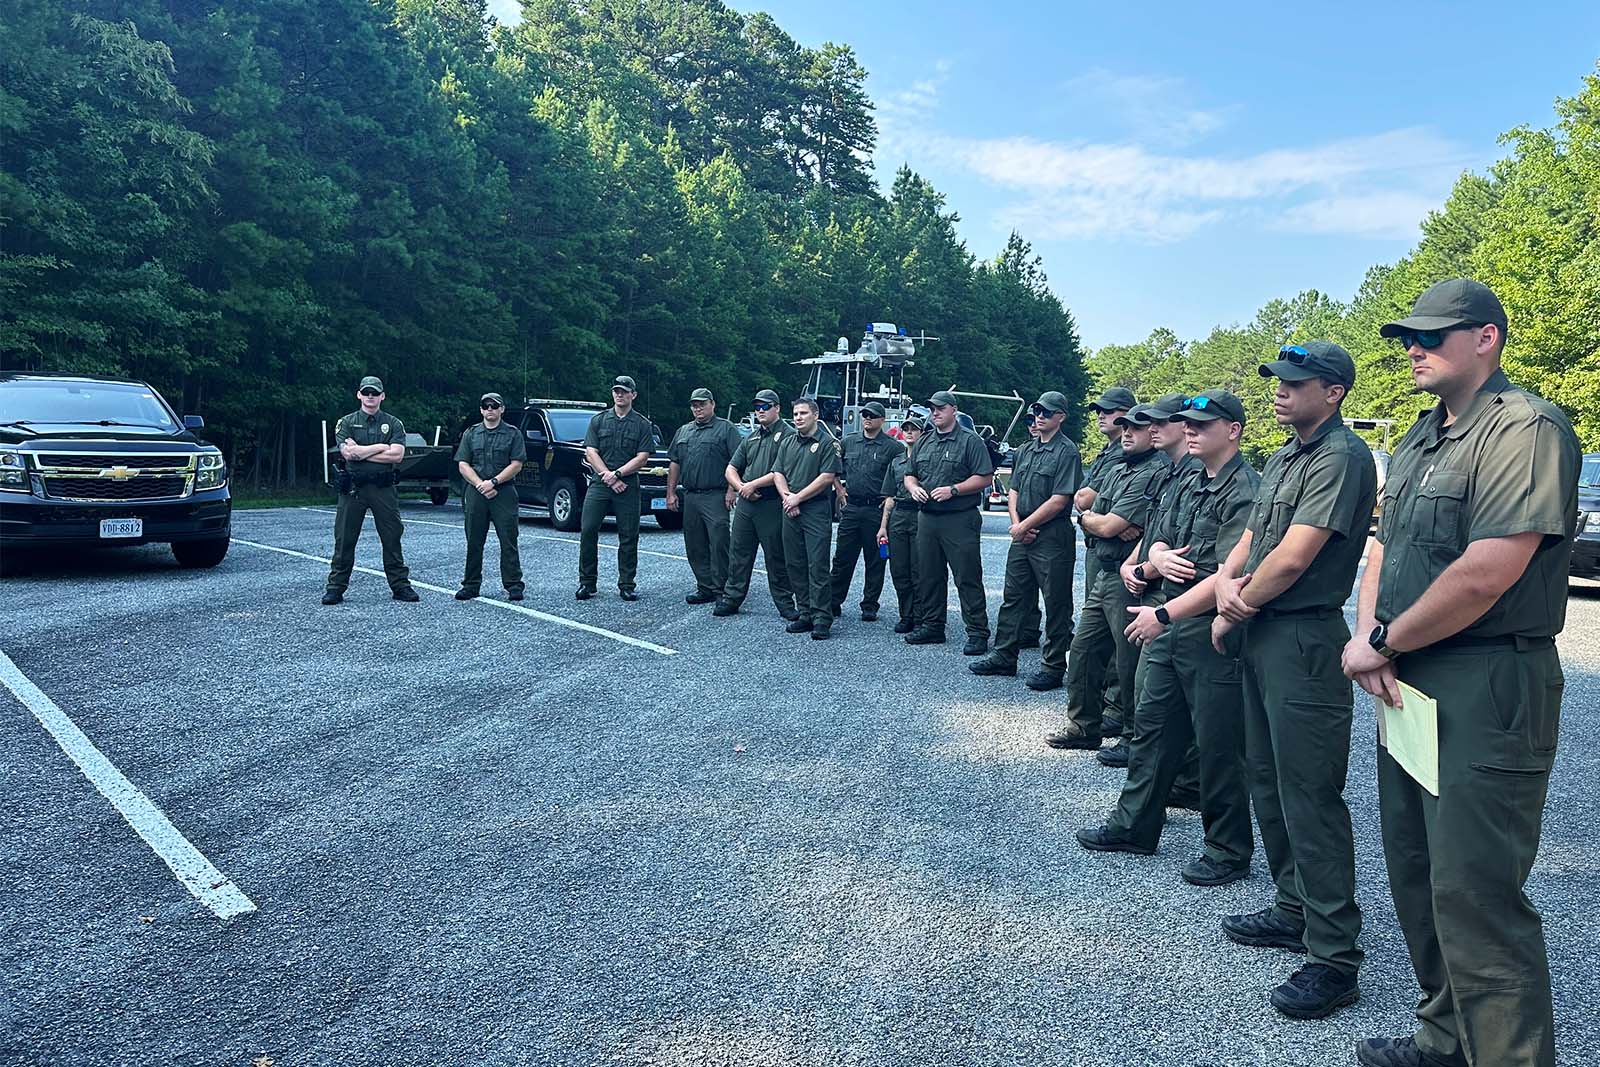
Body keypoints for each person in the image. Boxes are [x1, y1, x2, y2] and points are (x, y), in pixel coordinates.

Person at [1340, 279, 1579, 1067]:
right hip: (1409, 675)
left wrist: (1383, 641)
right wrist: (1371, 634)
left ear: (1485, 338)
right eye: (1409, 337)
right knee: (1418, 872)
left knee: (1477, 893)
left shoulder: (1525, 428)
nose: (1414, 348)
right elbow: (1383, 548)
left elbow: (1488, 571)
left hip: (1487, 679)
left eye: (1432, 336)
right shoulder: (1419, 438)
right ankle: (1446, 1038)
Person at [1209, 342, 1374, 1021]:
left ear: (1333, 392)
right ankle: (1293, 907)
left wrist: (1234, 605)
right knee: (1266, 778)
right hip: (1264, 628)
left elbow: (1296, 555)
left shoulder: (1342, 456)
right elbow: (1254, 539)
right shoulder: (1285, 456)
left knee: (1309, 794)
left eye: (1296, 382)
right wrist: (1226, 583)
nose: (1280, 390)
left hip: (1303, 635)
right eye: (1278, 381)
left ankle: (1334, 957)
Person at [1076, 390, 1258, 890]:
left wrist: (1163, 611)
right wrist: (1155, 556)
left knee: (1218, 743)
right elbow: (1159, 533)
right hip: (1168, 616)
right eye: (1188, 423)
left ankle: (1227, 849)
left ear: (1233, 431)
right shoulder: (1189, 478)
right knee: (1153, 726)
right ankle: (1135, 826)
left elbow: (1229, 575)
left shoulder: (1245, 489)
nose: (1191, 430)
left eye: (1202, 424)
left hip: (1207, 626)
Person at [1047, 401, 1169, 749]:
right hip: (1105, 571)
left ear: (1153, 432)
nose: (1127, 433)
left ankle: (1132, 737)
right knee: (1083, 650)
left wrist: (1103, 522)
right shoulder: (1118, 468)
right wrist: (1095, 521)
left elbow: (1110, 524)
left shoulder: (1155, 471)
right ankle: (1084, 727)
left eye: (1136, 428)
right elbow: (1091, 513)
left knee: (1128, 661)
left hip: (1128, 579)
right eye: (1125, 426)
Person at [1100, 393, 1197, 768]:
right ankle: (1149, 763)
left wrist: (1144, 568)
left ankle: (1158, 767)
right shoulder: (1169, 472)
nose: (1151, 428)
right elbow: (1155, 531)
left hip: (1172, 595)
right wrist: (1132, 563)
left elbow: (1186, 547)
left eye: (1159, 422)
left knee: (1152, 686)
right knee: (1143, 680)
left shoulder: (1195, 474)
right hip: (1143, 582)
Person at [968, 391, 1081, 687]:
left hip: (1052, 534)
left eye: (1047, 412)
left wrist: (1026, 526)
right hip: (1023, 531)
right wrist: (1017, 525)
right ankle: (1004, 656)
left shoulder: (1067, 452)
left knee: (1056, 602)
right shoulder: (1026, 450)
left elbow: (1060, 499)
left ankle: (1053, 666)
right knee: (1014, 597)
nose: (1040, 417)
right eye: (1037, 411)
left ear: (1060, 417)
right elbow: (1014, 490)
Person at [904, 390, 995, 654]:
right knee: (929, 575)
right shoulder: (924, 441)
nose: (935, 413)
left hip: (959, 517)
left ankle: (977, 632)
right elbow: (910, 474)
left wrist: (954, 490)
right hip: (927, 517)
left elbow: (985, 477)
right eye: (932, 408)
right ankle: (933, 626)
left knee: (967, 576)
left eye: (940, 408)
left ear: (953, 410)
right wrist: (913, 488)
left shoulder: (970, 441)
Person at [323, 375, 418, 604]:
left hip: (383, 488)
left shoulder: (394, 423)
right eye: (366, 392)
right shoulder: (346, 422)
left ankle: (400, 586)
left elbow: (397, 455)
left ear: (382, 396)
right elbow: (348, 453)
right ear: (359, 394)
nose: (370, 396)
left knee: (392, 537)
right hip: (353, 488)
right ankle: (335, 587)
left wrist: (362, 451)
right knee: (344, 538)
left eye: (375, 393)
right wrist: (381, 447)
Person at [1076, 387, 1137, 727]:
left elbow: (1094, 507)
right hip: (1100, 549)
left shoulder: (1133, 457)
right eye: (1099, 409)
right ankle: (1102, 705)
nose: (1102, 415)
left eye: (1110, 410)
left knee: (1119, 637)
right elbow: (1085, 502)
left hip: (1121, 558)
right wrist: (1101, 521)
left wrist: (1106, 520)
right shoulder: (1110, 455)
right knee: (1095, 634)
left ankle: (1116, 706)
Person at [715, 390, 799, 620]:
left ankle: (784, 602)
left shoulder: (789, 436)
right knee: (738, 552)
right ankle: (732, 598)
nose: (760, 411)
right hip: (747, 503)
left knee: (776, 555)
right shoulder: (751, 437)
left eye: (765, 406)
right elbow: (731, 468)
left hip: (771, 502)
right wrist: (741, 487)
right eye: (757, 407)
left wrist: (751, 485)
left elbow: (780, 471)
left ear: (777, 408)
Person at [577, 375, 655, 601]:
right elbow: (591, 452)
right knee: (588, 530)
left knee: (629, 535)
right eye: (616, 391)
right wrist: (609, 477)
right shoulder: (599, 420)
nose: (619, 395)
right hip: (600, 483)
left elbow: (642, 457)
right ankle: (587, 583)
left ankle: (627, 584)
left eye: (624, 391)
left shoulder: (642, 424)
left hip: (627, 485)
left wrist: (618, 474)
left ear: (633, 395)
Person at [773, 397, 843, 639]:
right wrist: (788, 498)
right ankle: (805, 613)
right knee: (795, 563)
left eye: (803, 413)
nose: (798, 417)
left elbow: (826, 477)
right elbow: (778, 473)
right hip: (790, 508)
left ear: (815, 415)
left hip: (815, 509)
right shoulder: (787, 442)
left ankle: (822, 617)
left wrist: (798, 499)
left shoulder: (827, 443)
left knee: (817, 564)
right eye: (795, 413)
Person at [666, 388, 742, 605]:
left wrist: (732, 490)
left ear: (712, 404)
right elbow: (674, 463)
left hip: (715, 495)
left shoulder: (726, 429)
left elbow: (738, 461)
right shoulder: (683, 431)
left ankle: (722, 589)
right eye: (694, 405)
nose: (698, 408)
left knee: (719, 542)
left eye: (702, 404)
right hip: (691, 495)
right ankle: (704, 586)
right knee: (694, 543)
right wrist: (670, 492)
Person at [829, 401, 900, 622]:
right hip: (852, 507)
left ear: (882, 420)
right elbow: (831, 467)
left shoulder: (893, 447)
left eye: (872, 415)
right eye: (865, 414)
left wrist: (890, 497)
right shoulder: (848, 442)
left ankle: (870, 605)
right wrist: (839, 489)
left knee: (876, 560)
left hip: (876, 509)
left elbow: (901, 474)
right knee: (842, 558)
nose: (867, 418)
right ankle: (833, 601)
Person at [454, 392, 527, 602]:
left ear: (502, 409)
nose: (490, 409)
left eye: (494, 406)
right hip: (476, 491)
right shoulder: (471, 433)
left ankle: (513, 584)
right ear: (481, 409)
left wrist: (493, 482)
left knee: (508, 539)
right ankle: (471, 584)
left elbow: (517, 464)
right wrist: (481, 485)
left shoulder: (513, 434)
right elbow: (463, 464)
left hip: (504, 491)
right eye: (486, 406)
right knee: (474, 540)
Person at [878, 415, 927, 633]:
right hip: (899, 515)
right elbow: (889, 497)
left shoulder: (927, 459)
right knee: (899, 569)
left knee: (919, 569)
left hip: (920, 514)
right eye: (905, 428)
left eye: (913, 429)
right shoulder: (896, 462)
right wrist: (883, 527)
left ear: (922, 433)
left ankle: (921, 616)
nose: (909, 432)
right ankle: (906, 615)